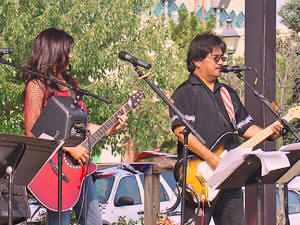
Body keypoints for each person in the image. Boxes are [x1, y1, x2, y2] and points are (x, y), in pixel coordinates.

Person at [169, 33, 283, 225]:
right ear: (197, 61)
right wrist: (212, 158)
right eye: (215, 58)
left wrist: (269, 133)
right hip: (199, 176)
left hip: (230, 177)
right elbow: (181, 132)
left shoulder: (228, 93)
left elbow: (244, 127)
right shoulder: (185, 92)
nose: (221, 62)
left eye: (223, 58)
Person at [23, 28, 128, 225]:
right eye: (67, 50)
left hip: (79, 167)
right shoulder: (36, 85)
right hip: (53, 169)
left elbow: (81, 127)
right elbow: (32, 133)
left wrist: (109, 128)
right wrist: (70, 147)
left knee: (94, 222)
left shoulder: (71, 84)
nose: (71, 55)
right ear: (54, 51)